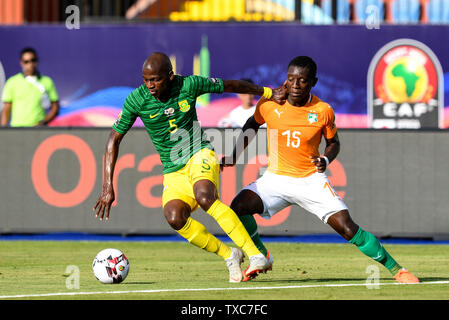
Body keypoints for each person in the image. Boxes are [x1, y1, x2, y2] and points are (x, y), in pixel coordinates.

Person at [221, 55, 420, 283]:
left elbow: (334, 143)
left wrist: (326, 160)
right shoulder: (269, 104)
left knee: (347, 228)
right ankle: (260, 254)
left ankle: (398, 270)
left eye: (302, 80)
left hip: (310, 181)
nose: (295, 85)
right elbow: (251, 125)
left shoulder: (323, 110)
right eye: (291, 79)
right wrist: (234, 154)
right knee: (238, 207)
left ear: (313, 82)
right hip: (275, 179)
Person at [93, 52, 287, 283]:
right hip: (173, 169)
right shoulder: (137, 100)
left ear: (170, 76)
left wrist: (267, 92)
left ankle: (256, 255)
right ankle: (230, 255)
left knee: (205, 197)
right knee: (174, 217)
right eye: (145, 80)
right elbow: (113, 139)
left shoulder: (189, 84)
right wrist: (107, 186)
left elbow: (229, 85)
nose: (150, 85)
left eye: (155, 79)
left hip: (200, 152)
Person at [1, 47, 59, 127]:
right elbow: (6, 109)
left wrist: (42, 123)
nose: (30, 64)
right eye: (26, 61)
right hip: (17, 129)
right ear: (21, 63)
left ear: (37, 61)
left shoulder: (47, 81)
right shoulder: (12, 82)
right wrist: (3, 131)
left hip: (39, 131)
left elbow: (55, 107)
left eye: (33, 60)